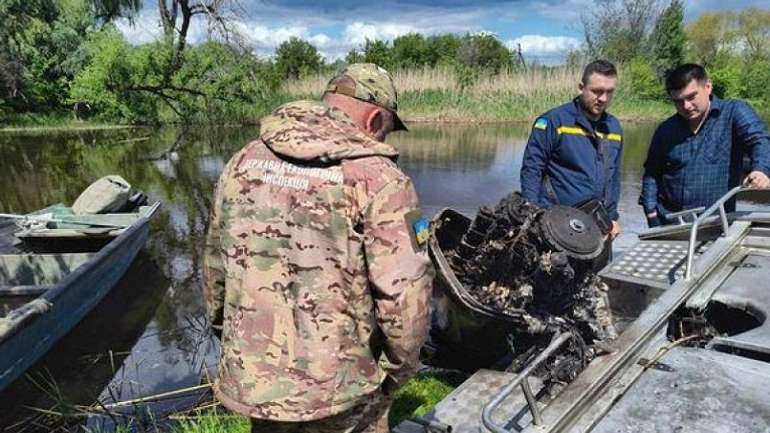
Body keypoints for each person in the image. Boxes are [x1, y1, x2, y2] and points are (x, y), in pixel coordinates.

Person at [203, 63, 434, 433]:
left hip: (261, 384)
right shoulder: (382, 180)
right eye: (388, 132)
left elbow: (216, 267)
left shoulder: (242, 161)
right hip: (344, 390)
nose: (386, 144)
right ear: (375, 120)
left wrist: (237, 344)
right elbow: (407, 297)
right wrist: (397, 373)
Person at [640, 64, 770, 227]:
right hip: (668, 222)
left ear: (708, 87)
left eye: (691, 96)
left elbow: (759, 139)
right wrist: (650, 211)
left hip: (716, 222)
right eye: (678, 101)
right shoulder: (666, 129)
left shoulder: (734, 112)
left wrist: (761, 169)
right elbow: (651, 173)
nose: (686, 106)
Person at [520, 59, 623, 260]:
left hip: (598, 226)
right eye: (597, 91)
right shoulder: (553, 121)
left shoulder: (614, 128)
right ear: (581, 87)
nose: (603, 98)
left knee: (594, 284)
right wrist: (531, 215)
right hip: (557, 226)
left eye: (609, 92)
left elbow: (614, 177)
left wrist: (612, 218)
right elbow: (532, 170)